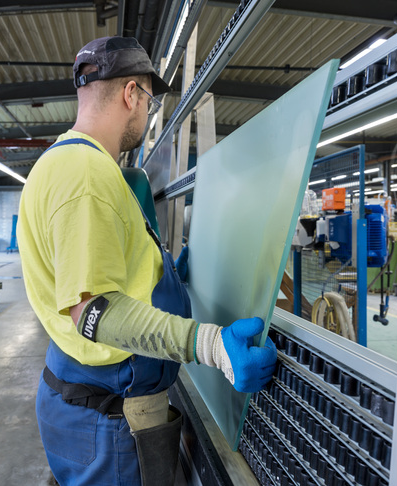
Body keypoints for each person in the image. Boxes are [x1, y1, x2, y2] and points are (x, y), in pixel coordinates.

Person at [18, 36, 277, 486]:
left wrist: (166, 273)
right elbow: (95, 312)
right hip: (110, 420)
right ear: (130, 93)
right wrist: (211, 345)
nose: (146, 112)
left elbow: (100, 272)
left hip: (87, 400)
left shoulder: (64, 165)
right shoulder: (86, 176)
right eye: (148, 100)